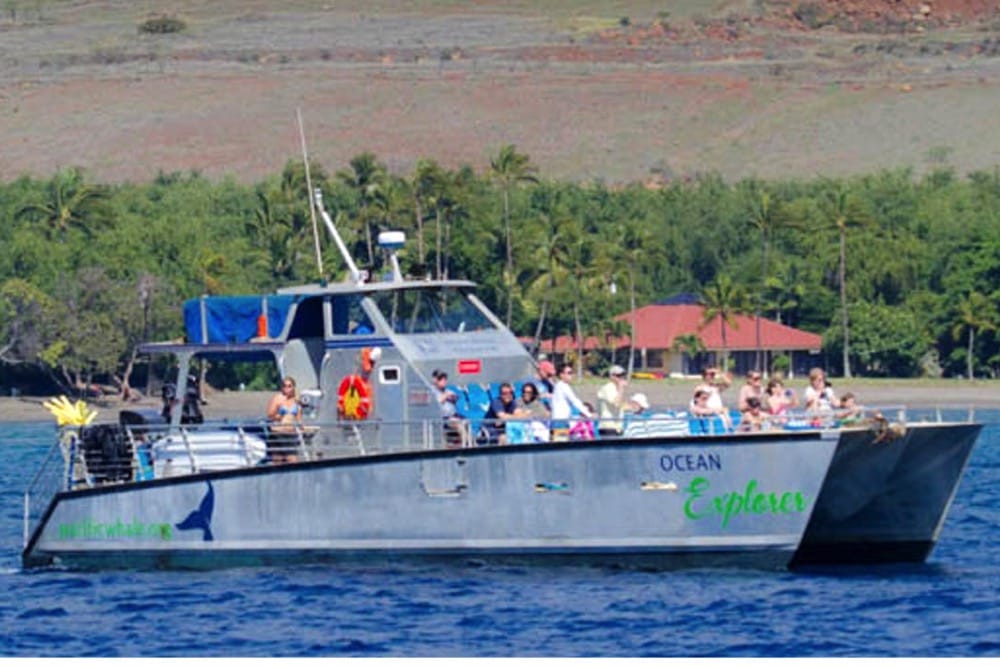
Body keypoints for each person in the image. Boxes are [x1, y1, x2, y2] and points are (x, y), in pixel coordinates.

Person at [550, 364, 593, 441]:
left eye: (572, 373)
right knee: (561, 446)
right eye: (569, 373)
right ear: (561, 375)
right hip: (560, 423)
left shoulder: (559, 386)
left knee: (560, 446)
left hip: (560, 422)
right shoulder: (563, 386)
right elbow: (575, 401)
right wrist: (589, 415)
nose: (572, 375)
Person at [266, 376, 302, 463]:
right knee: (278, 461)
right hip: (277, 433)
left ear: (293, 387)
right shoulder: (278, 398)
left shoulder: (296, 400)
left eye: (289, 386)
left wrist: (302, 428)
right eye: (284, 386)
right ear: (282, 387)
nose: (287, 388)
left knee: (292, 460)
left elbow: (299, 419)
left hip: (290, 435)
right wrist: (277, 416)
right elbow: (270, 415)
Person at [432, 369, 467, 446]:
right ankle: (465, 446)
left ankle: (470, 443)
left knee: (467, 422)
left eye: (445, 379)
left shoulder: (447, 390)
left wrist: (454, 398)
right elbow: (437, 401)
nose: (443, 381)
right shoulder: (433, 391)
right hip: (443, 418)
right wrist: (446, 395)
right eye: (441, 379)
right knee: (459, 424)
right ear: (435, 380)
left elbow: (455, 398)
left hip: (453, 415)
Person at [596, 364, 628, 436]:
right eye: (618, 376)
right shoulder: (608, 388)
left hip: (617, 427)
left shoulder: (617, 389)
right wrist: (621, 388)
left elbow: (621, 406)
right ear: (612, 376)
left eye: (623, 375)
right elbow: (616, 404)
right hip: (608, 427)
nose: (621, 378)